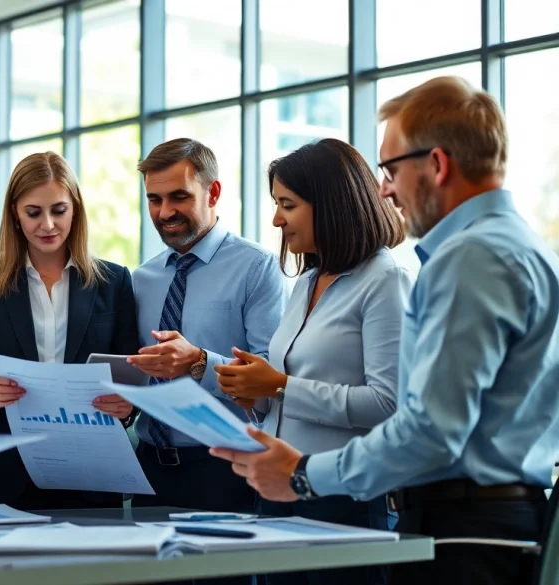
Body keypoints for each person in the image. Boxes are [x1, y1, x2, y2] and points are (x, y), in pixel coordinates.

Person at [210, 76, 559, 585]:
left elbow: (430, 429)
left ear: (436, 165)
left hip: (465, 533)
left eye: (391, 169)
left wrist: (305, 474)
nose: (386, 189)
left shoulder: (468, 258)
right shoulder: (524, 248)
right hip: (494, 523)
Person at [215, 138, 412, 585]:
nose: (276, 219)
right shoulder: (306, 281)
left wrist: (280, 385)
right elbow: (287, 394)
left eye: (288, 204)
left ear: (331, 204)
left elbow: (388, 404)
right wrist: (255, 392)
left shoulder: (386, 282)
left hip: (343, 498)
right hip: (278, 493)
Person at [0, 151, 139, 510]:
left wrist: (127, 405)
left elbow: (130, 370)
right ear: (15, 213)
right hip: (9, 470)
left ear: (75, 209)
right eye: (33, 212)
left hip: (93, 470)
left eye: (58, 210)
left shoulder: (114, 281)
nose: (47, 225)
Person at [128, 138, 288, 516]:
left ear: (212, 192)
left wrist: (199, 362)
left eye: (178, 197)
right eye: (154, 199)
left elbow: (271, 377)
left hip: (226, 470)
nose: (165, 212)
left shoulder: (256, 268)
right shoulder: (142, 278)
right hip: (149, 469)